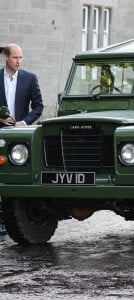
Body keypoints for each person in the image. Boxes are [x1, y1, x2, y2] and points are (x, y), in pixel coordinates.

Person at [0, 43, 44, 233]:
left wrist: (24, 123)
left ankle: (7, 218)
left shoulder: (30, 79)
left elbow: (38, 107)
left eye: (21, 58)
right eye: (15, 58)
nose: (18, 61)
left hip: (19, 137)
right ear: (6, 58)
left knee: (13, 176)